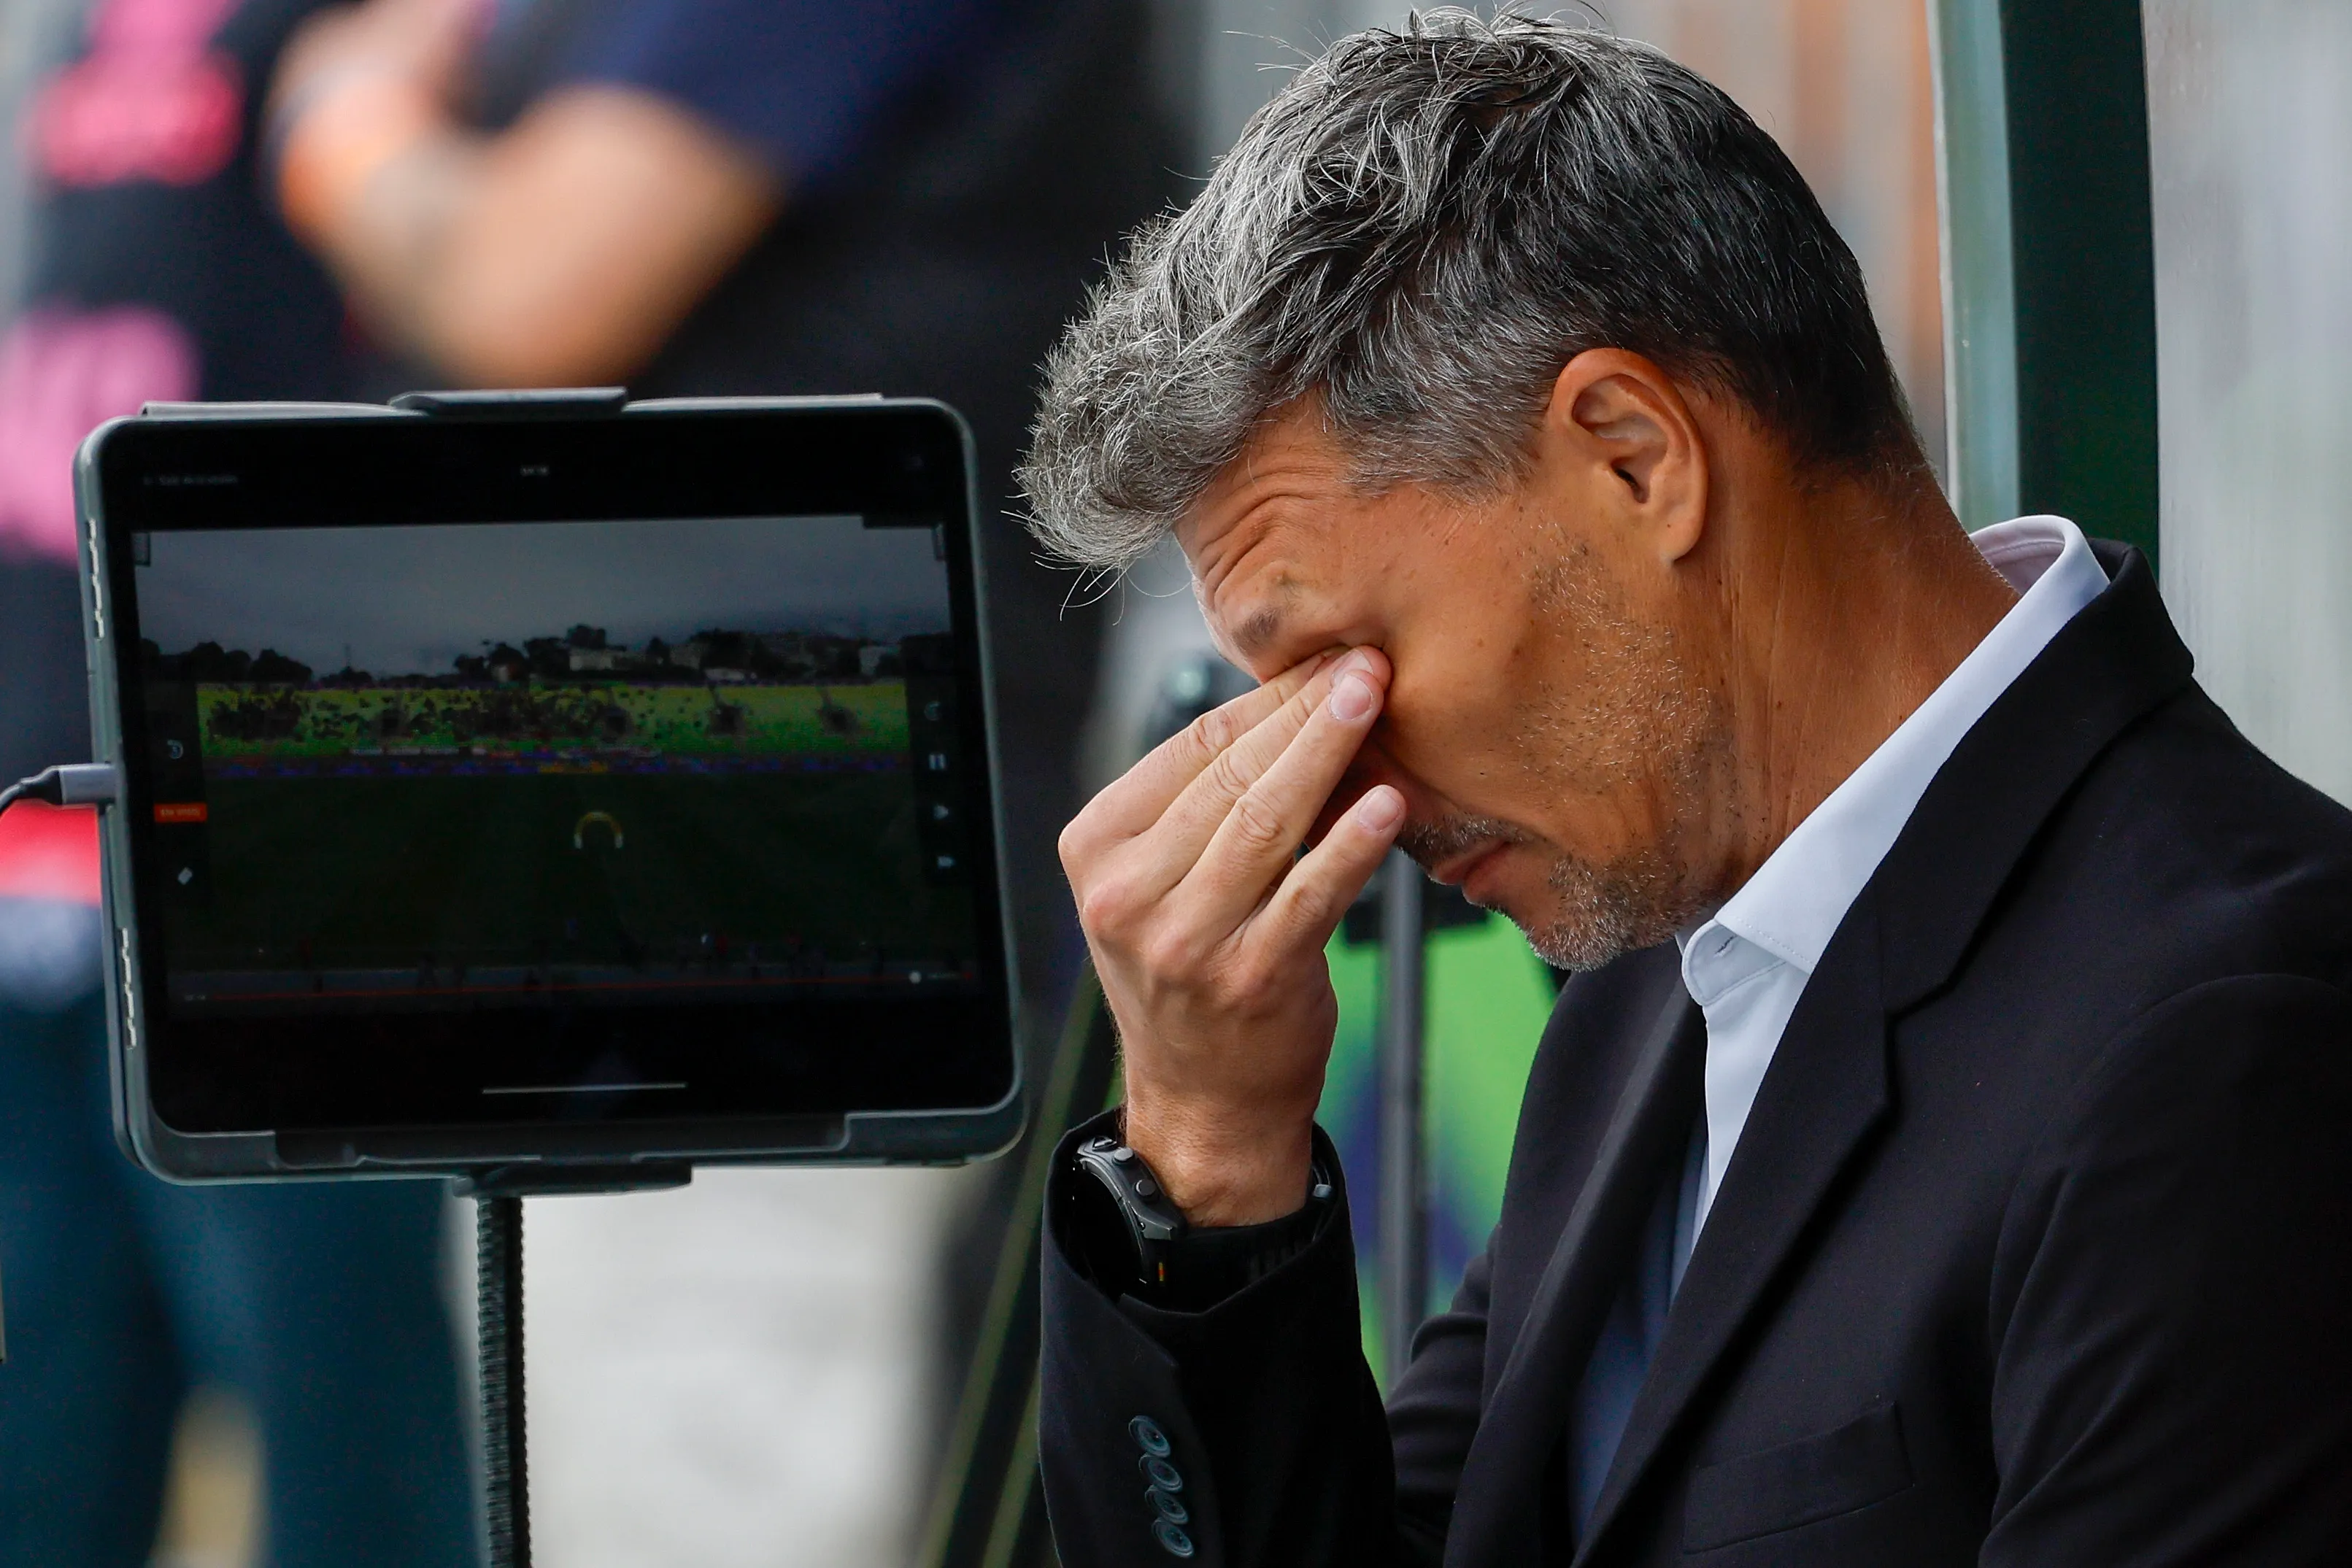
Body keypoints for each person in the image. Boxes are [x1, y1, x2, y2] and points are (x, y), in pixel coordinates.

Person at [1019, 15, 2352, 1567]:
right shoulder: (1669, 972)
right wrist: (1205, 1154)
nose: (1323, 779)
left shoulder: (2233, 1033)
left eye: (1340, 663)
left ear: (1637, 456)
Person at [0, 1, 479, 1557]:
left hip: (277, 867)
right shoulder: (87, 35)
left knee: (348, 1457)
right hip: (43, 848)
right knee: (48, 1453)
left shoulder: (384, 31)